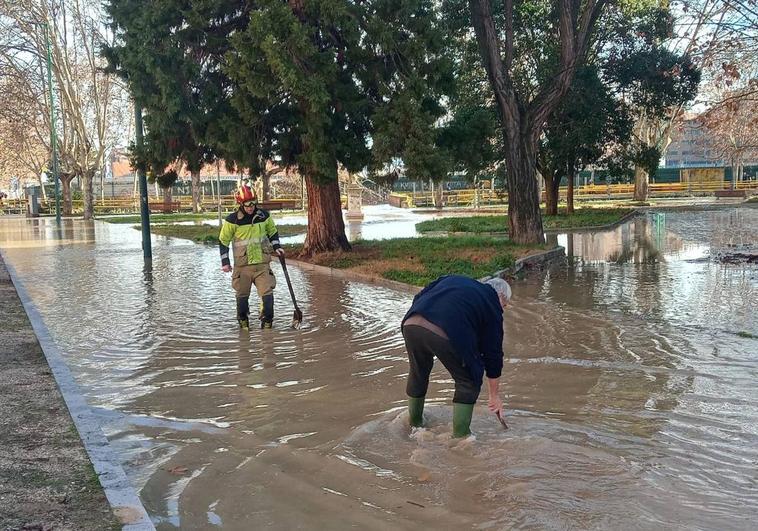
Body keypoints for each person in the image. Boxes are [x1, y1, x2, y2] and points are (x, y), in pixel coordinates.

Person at [401, 275, 511, 437]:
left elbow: (420, 296)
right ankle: (460, 439)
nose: (502, 309)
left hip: (410, 324)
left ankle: (414, 424)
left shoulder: (453, 279)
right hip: (444, 330)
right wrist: (494, 396)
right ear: (501, 297)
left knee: (419, 372)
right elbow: (493, 355)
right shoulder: (492, 305)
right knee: (469, 379)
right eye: (505, 305)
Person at [219, 182, 284, 329]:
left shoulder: (264, 216)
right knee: (242, 300)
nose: (250, 207)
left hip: (262, 265)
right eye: (247, 204)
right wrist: (225, 262)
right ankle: (243, 324)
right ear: (240, 204)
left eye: (253, 204)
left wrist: (277, 247)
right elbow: (223, 241)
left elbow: (272, 231)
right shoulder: (232, 220)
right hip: (242, 268)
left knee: (268, 299)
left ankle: (267, 325)